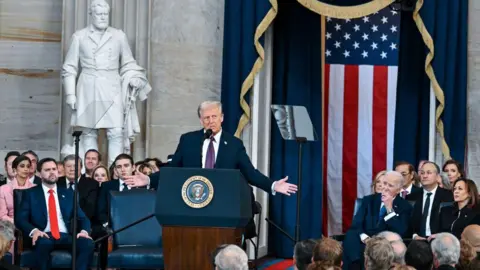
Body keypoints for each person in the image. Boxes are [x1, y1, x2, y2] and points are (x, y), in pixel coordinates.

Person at [123, 101, 298, 238]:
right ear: (201, 120)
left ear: (222, 117)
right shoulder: (188, 140)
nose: (210, 121)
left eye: (214, 116)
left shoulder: (234, 145)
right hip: (192, 206)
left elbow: (250, 173)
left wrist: (273, 185)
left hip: (222, 208)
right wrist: (148, 180)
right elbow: (172, 169)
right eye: (206, 118)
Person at [62, 0, 152, 165]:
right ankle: (91, 174)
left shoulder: (118, 36)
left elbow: (128, 62)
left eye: (105, 14)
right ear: (91, 15)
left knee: (116, 132)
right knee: (89, 133)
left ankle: (115, 173)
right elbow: (69, 67)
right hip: (88, 86)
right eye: (99, 14)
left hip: (112, 87)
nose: (103, 17)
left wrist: (134, 77)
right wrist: (70, 94)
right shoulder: (79, 36)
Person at [15, 158, 94, 270]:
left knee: (87, 244)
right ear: (39, 173)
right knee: (43, 244)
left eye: (54, 169)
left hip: (66, 235)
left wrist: (84, 231)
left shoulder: (68, 193)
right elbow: (20, 219)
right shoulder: (30, 194)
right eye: (47, 170)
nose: (52, 172)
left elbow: (83, 218)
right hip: (44, 235)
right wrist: (34, 231)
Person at [342, 171, 413, 269]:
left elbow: (402, 231)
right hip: (365, 241)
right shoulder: (368, 200)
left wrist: (389, 209)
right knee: (351, 234)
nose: (385, 187)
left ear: (398, 190)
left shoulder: (405, 206)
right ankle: (355, 263)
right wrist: (366, 238)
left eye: (390, 185)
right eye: (384, 183)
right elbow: (356, 224)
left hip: (385, 245)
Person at [408, 161, 453, 240]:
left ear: (437, 176)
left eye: (429, 173)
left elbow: (451, 222)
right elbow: (407, 222)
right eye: (422, 173)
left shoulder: (449, 197)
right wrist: (414, 236)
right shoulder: (411, 197)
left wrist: (439, 236)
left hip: (440, 239)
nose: (424, 176)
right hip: (416, 240)